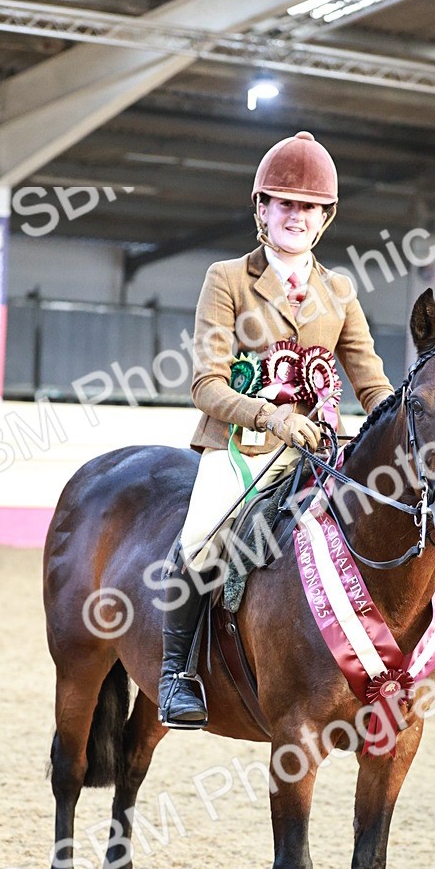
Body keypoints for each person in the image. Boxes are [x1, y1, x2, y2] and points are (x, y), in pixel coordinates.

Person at [158, 130, 394, 728]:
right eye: (284, 203)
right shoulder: (228, 279)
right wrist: (272, 416)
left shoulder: (338, 290)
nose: (296, 215)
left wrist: (400, 427)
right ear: (262, 209)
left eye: (308, 207)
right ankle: (176, 675)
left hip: (320, 449)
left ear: (324, 219)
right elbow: (206, 384)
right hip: (244, 446)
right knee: (199, 540)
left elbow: (371, 380)